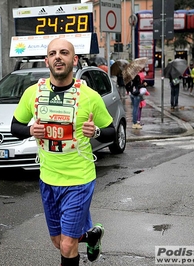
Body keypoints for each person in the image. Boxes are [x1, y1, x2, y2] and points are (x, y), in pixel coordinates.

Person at [10, 38, 115, 266]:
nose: (58, 57)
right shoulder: (32, 94)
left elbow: (111, 132)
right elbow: (15, 128)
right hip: (48, 179)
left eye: (64, 52)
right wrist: (30, 129)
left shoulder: (89, 96)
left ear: (74, 60)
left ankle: (83, 239)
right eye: (53, 53)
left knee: (67, 246)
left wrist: (95, 130)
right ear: (47, 60)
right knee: (59, 242)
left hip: (79, 179)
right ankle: (91, 236)